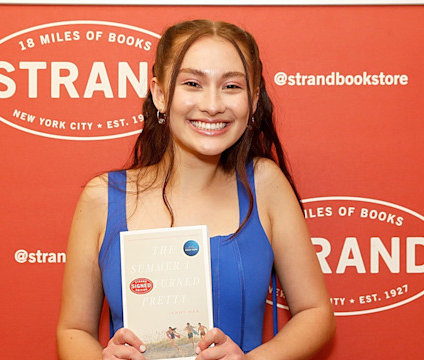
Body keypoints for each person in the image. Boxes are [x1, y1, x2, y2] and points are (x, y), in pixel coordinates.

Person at [57, 19, 335, 360]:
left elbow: (315, 313)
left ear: (254, 98)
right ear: (159, 93)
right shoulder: (102, 198)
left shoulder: (265, 184)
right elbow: (73, 331)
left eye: (232, 86)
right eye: (193, 83)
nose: (213, 104)